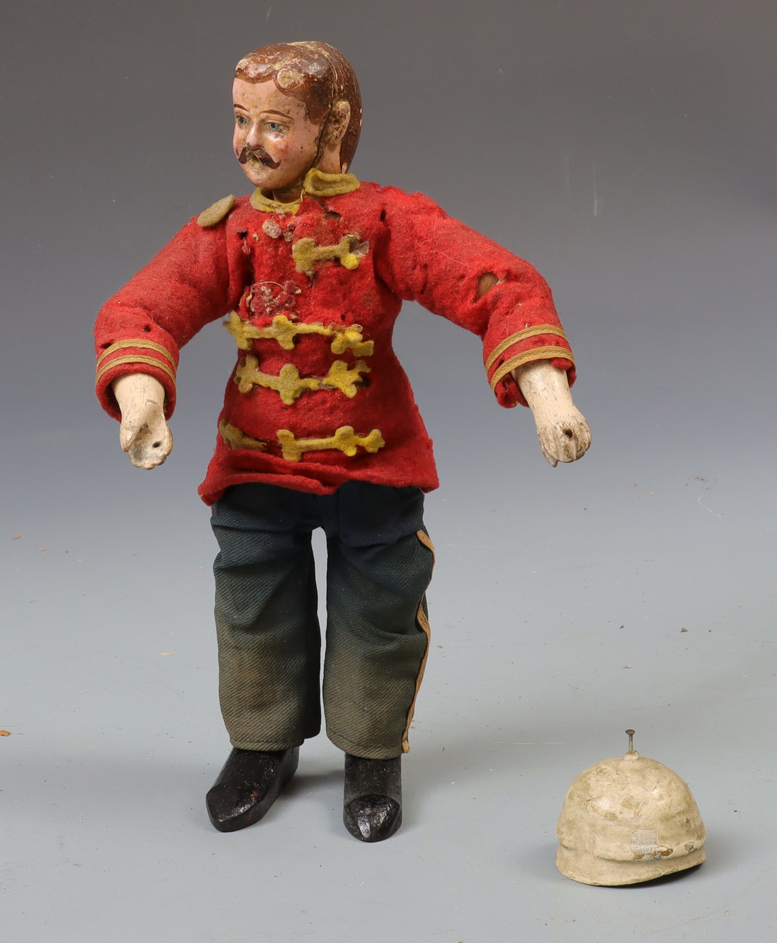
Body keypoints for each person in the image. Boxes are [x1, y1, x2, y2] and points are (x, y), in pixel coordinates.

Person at [94, 41, 591, 842]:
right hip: (256, 460)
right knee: (251, 605)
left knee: (380, 609)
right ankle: (260, 744)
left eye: (273, 124)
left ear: (332, 127)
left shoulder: (385, 219)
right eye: (240, 119)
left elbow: (494, 281)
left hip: (373, 459)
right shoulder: (232, 230)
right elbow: (146, 304)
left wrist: (544, 386)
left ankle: (370, 751)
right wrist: (139, 389)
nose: (250, 142)